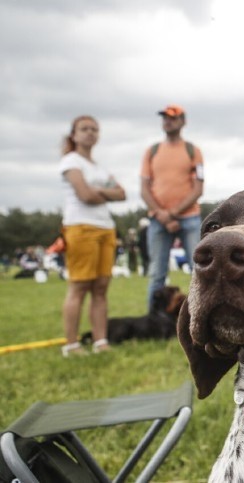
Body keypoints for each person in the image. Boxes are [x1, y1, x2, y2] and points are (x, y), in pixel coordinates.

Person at [59, 115, 126, 356]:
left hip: (106, 228)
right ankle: (72, 344)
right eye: (84, 129)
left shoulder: (98, 168)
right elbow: (84, 195)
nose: (90, 133)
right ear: (74, 134)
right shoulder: (70, 161)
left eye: (94, 129)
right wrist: (104, 192)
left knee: (100, 288)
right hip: (81, 227)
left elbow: (123, 194)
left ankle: (100, 341)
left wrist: (97, 190)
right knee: (79, 287)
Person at [140, 105, 204, 309]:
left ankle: (200, 316)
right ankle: (153, 320)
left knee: (200, 271)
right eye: (165, 118)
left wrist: (174, 213)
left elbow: (198, 188)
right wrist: (163, 216)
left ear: (183, 121)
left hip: (190, 218)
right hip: (158, 220)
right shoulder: (152, 151)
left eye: (173, 118)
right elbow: (144, 188)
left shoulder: (193, 151)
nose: (168, 121)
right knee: (157, 273)